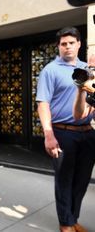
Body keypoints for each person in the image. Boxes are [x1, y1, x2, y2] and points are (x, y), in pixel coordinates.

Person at [36, 27, 95, 232]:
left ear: (79, 44)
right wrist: (48, 134)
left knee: (82, 181)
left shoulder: (87, 69)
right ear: (58, 46)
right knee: (64, 180)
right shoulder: (50, 70)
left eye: (71, 42)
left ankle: (73, 218)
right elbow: (43, 103)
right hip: (63, 133)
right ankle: (66, 224)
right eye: (63, 43)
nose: (67, 46)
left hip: (88, 132)